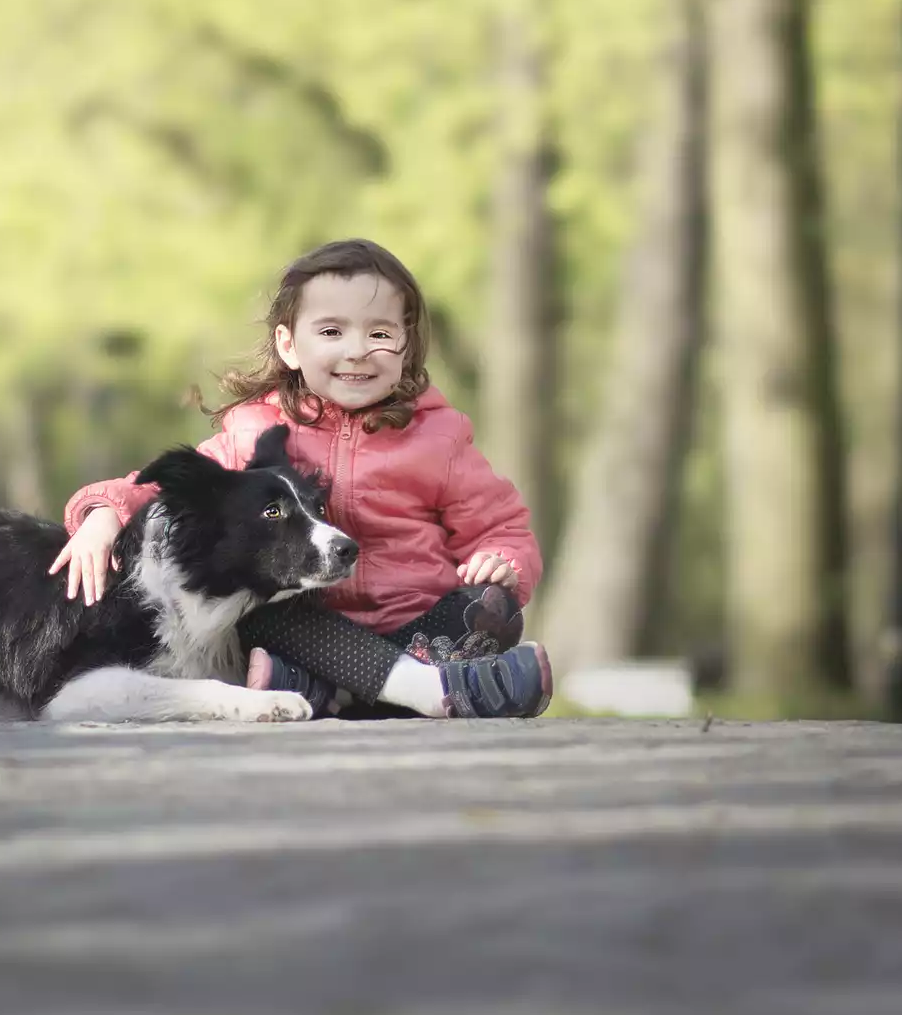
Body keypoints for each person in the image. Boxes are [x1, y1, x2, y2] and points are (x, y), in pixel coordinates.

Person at [47, 238, 550, 719]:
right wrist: (104, 513)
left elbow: (500, 524)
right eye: (332, 332)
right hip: (307, 626)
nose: (356, 351)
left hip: (414, 626)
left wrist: (500, 560)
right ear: (288, 345)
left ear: (406, 344)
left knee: (495, 610)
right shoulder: (256, 429)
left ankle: (337, 693)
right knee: (258, 606)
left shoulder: (440, 439)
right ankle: (428, 690)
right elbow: (176, 491)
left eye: (379, 334)